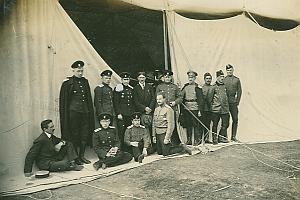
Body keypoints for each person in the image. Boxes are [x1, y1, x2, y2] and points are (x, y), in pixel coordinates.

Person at [59, 60, 95, 164]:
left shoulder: (85, 81)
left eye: (81, 71)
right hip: (73, 113)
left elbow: (88, 98)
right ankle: (76, 158)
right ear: (73, 70)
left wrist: (88, 111)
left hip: (85, 112)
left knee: (84, 134)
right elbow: (64, 101)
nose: (80, 73)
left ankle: (82, 156)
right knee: (74, 135)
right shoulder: (68, 83)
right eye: (78, 71)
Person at [156, 70, 183, 144]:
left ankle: (174, 143)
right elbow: (157, 98)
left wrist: (175, 102)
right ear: (163, 78)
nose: (167, 78)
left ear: (171, 78)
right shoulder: (159, 87)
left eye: (169, 77)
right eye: (166, 77)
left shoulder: (174, 87)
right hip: (163, 110)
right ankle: (165, 141)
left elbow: (180, 97)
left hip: (172, 109)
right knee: (164, 125)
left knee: (172, 125)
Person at [180, 70, 205, 145]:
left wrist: (200, 110)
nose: (190, 79)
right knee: (188, 124)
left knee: (195, 124)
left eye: (192, 77)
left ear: (195, 78)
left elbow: (201, 100)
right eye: (189, 77)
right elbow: (181, 96)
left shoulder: (198, 87)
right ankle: (189, 140)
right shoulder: (185, 87)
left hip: (195, 108)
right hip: (187, 108)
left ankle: (197, 140)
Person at [133, 71, 156, 151]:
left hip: (150, 111)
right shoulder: (135, 88)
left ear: (145, 78)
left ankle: (155, 146)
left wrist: (150, 108)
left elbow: (153, 98)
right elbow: (136, 101)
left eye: (143, 77)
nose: (142, 79)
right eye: (140, 77)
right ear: (137, 78)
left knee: (152, 128)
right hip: (141, 112)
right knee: (144, 130)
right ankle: (147, 147)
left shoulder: (150, 87)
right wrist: (144, 108)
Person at [113, 72, 135, 151]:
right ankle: (122, 149)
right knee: (121, 132)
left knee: (129, 131)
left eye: (127, 79)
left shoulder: (131, 89)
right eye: (124, 79)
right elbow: (116, 102)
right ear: (121, 80)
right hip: (122, 114)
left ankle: (129, 149)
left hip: (129, 114)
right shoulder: (118, 89)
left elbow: (132, 102)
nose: (126, 81)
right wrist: (118, 113)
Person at [208, 70, 230, 144]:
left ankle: (220, 137)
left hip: (225, 109)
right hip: (216, 109)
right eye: (221, 77)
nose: (222, 78)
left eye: (223, 76)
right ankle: (214, 139)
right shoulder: (213, 87)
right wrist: (212, 108)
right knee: (215, 125)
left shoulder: (225, 86)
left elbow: (226, 97)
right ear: (217, 77)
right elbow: (209, 99)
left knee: (225, 124)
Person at [223, 64, 242, 142]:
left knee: (235, 119)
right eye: (228, 70)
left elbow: (239, 91)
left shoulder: (236, 80)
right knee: (226, 120)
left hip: (233, 102)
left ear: (233, 70)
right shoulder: (223, 80)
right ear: (226, 71)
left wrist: (237, 102)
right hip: (226, 103)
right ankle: (224, 137)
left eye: (230, 70)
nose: (229, 72)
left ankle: (233, 136)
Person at [202, 72, 214, 143]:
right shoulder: (201, 88)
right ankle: (202, 139)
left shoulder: (213, 88)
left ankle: (207, 138)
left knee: (208, 124)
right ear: (204, 79)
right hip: (203, 109)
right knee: (202, 124)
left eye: (210, 78)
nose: (208, 80)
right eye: (207, 78)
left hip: (210, 109)